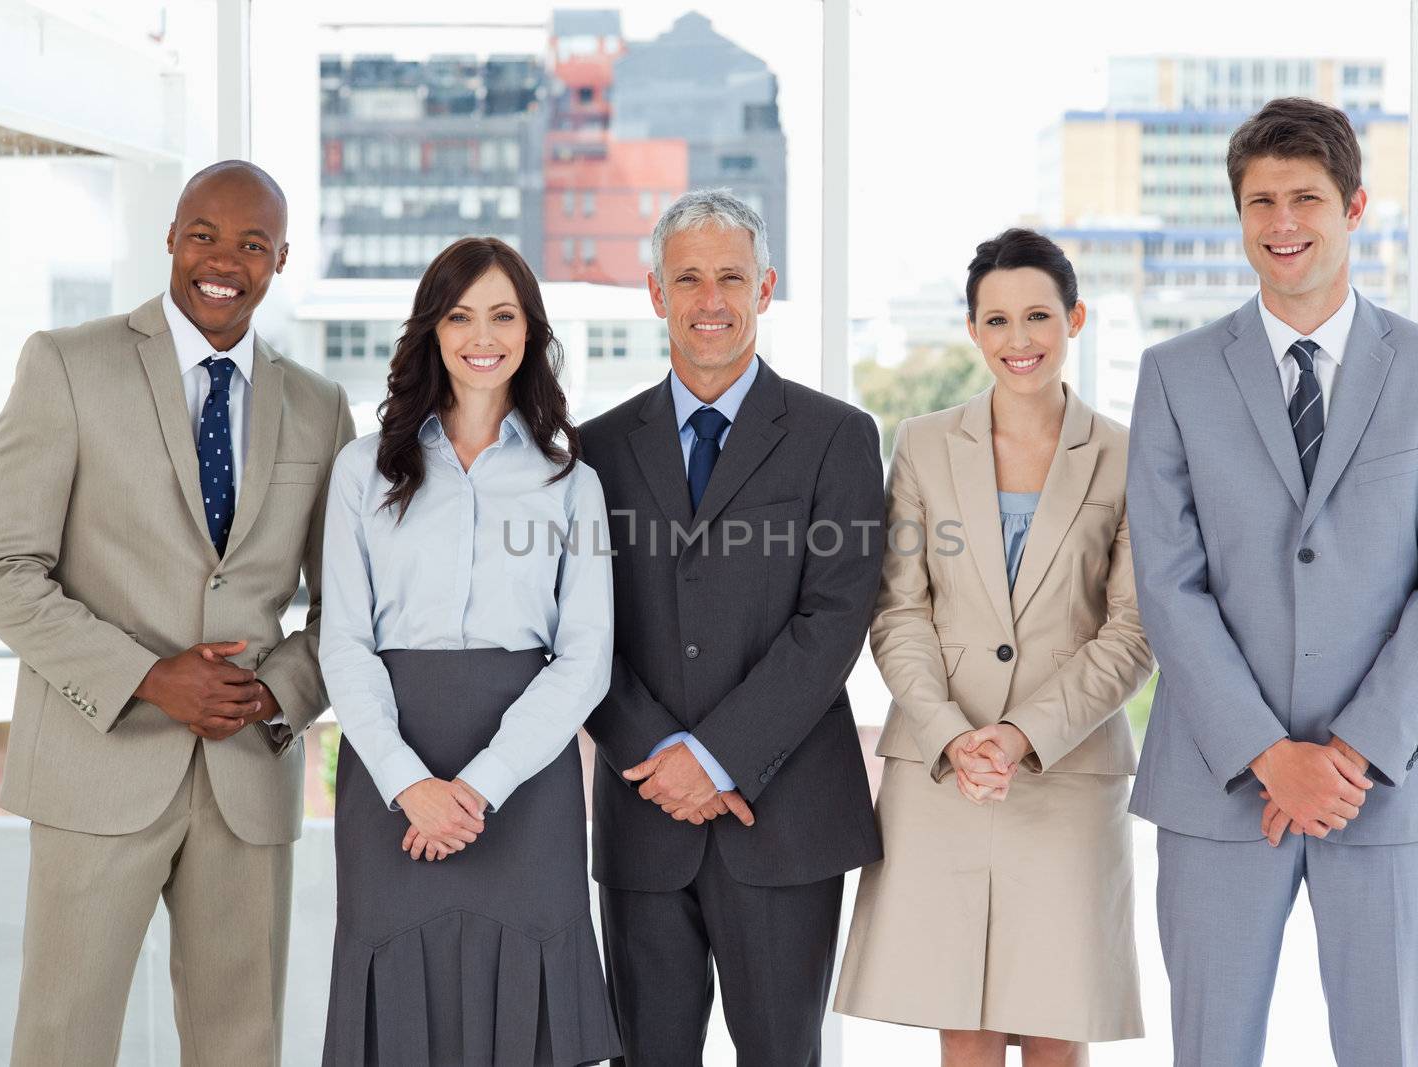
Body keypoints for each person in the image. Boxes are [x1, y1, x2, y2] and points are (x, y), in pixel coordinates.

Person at [1127, 97, 1418, 1067]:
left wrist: (1350, 750)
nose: (1281, 223)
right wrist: (1264, 749)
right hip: (1216, 785)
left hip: (1384, 786)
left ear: (1354, 207)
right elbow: (1167, 580)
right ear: (1238, 215)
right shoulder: (1172, 374)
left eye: (1304, 198)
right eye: (1259, 202)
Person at [0, 160, 355, 1065]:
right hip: (97, 766)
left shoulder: (321, 409)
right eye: (204, 234)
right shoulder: (66, 365)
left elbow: (351, 610)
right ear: (171, 240)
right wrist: (147, 675)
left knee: (239, 1044)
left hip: (247, 777)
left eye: (252, 243)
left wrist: (273, 694)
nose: (225, 260)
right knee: (63, 1039)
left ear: (281, 259)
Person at [833, 229, 1154, 1066]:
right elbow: (897, 612)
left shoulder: (1127, 454)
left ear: (1074, 318)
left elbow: (1133, 628)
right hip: (943, 776)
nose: (1020, 340)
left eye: (1039, 316)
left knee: (1057, 1028)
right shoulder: (923, 442)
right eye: (998, 320)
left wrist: (1021, 736)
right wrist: (953, 732)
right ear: (973, 330)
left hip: (1066, 773)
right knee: (963, 1032)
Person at [579, 188, 885, 1066]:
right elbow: (581, 629)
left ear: (766, 286)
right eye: (687, 279)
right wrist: (662, 764)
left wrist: (712, 760)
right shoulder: (595, 450)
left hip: (783, 821)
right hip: (644, 820)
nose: (709, 300)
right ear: (654, 293)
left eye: (730, 277)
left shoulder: (836, 437)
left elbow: (835, 619)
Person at [317, 236, 622, 1066]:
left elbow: (585, 656)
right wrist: (409, 782)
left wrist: (478, 788)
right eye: (460, 315)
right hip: (391, 780)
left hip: (525, 780)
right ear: (432, 330)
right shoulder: (361, 471)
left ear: (529, 330)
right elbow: (341, 641)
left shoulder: (571, 481)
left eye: (502, 314)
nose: (481, 335)